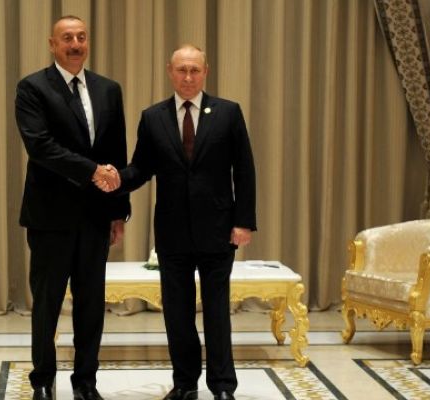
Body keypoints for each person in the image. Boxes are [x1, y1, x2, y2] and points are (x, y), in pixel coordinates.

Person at [106, 45, 257, 400]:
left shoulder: (228, 112)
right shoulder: (153, 117)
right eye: (181, 70)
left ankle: (222, 386)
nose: (188, 77)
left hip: (218, 231)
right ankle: (185, 384)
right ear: (170, 71)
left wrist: (244, 222)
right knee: (177, 314)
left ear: (205, 71)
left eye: (194, 70)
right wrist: (115, 179)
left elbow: (244, 170)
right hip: (172, 233)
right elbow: (141, 168)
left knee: (217, 312)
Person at [15, 15, 129, 400]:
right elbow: (40, 146)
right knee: (46, 305)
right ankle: (42, 382)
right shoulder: (32, 88)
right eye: (67, 38)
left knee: (91, 307)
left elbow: (116, 152)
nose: (76, 44)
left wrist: (118, 211)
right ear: (53, 44)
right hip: (50, 217)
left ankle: (85, 383)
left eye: (81, 37)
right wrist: (92, 171)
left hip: (96, 217)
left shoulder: (108, 89)